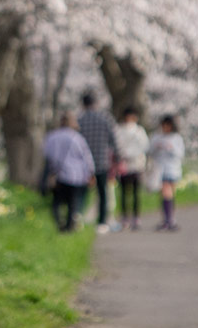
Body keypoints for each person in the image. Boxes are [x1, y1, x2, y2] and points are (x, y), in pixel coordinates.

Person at [42, 111, 95, 232]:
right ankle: (69, 226)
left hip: (57, 174)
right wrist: (91, 173)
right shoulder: (77, 137)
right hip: (76, 175)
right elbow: (86, 157)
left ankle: (59, 223)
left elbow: (46, 154)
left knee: (56, 202)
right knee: (73, 202)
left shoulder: (51, 136)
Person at [78, 92, 117, 234]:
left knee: (82, 192)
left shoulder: (79, 120)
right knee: (102, 193)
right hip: (101, 161)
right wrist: (116, 159)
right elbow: (114, 141)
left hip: (83, 164)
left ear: (83, 104)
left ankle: (78, 218)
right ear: (96, 103)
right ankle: (101, 222)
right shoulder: (105, 119)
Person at [113, 106, 149, 230]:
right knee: (123, 192)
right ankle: (124, 217)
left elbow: (144, 145)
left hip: (136, 165)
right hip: (124, 165)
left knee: (135, 192)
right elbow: (117, 145)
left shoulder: (139, 131)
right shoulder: (119, 130)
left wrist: (131, 154)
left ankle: (135, 217)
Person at [149, 115, 185, 231]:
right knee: (165, 193)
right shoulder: (157, 137)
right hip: (160, 169)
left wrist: (171, 148)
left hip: (173, 168)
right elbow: (150, 151)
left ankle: (170, 219)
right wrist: (157, 147)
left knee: (170, 194)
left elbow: (180, 154)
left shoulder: (177, 138)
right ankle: (167, 219)